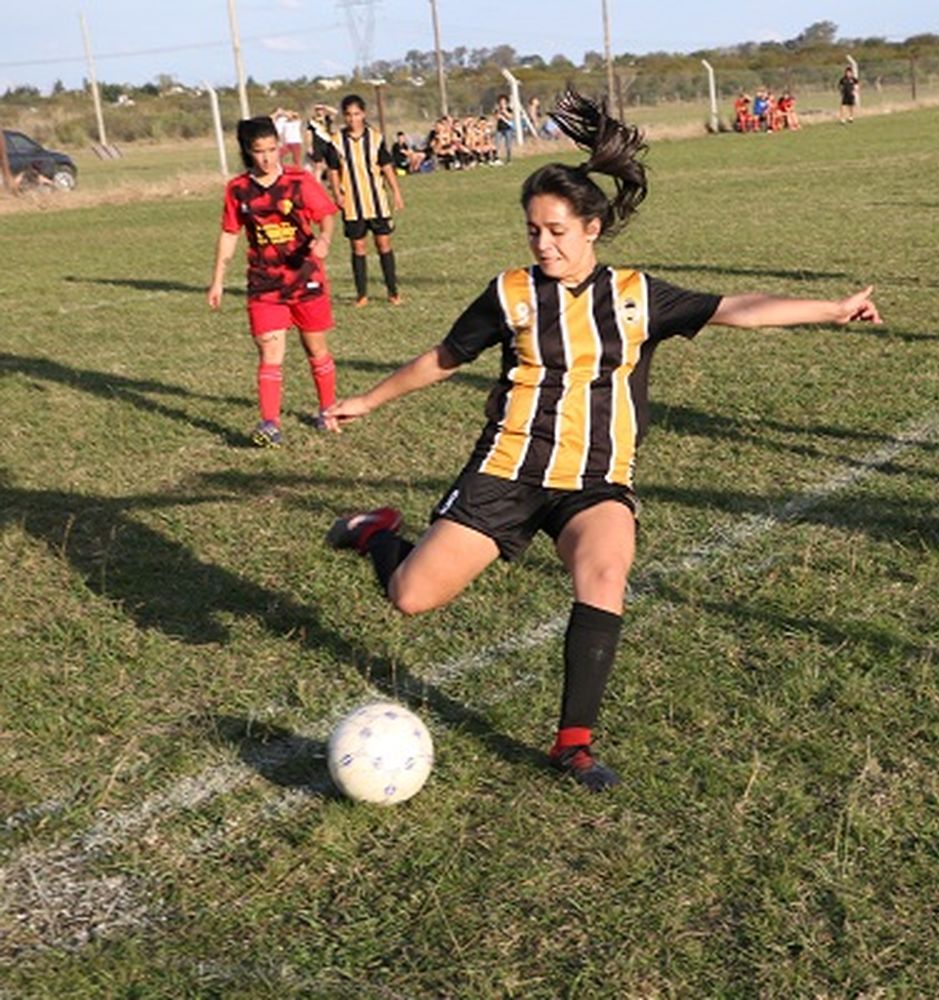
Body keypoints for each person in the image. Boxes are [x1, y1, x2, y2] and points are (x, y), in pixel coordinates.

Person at [320, 91, 882, 791]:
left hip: (594, 481)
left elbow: (735, 308)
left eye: (556, 229)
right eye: (533, 231)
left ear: (591, 227)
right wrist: (368, 401)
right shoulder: (511, 294)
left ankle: (573, 746)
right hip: (508, 472)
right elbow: (445, 357)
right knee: (410, 597)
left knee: (605, 572)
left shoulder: (637, 295)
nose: (544, 243)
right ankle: (377, 534)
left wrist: (831, 308)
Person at [207, 116, 341, 447]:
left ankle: (327, 410)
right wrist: (218, 281)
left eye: (272, 149)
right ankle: (270, 423)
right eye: (260, 152)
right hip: (265, 284)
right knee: (270, 349)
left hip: (305, 279)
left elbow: (325, 216)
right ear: (247, 152)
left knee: (316, 348)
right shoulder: (238, 189)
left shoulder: (299, 180)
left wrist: (323, 239)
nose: (268, 158)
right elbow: (229, 233)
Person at [325, 93, 406, 306]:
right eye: (349, 115)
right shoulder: (336, 141)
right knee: (358, 248)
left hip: (377, 201)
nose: (353, 119)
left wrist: (396, 191)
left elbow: (386, 166)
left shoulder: (375, 138)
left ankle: (393, 291)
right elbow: (333, 170)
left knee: (384, 244)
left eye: (357, 114)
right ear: (344, 116)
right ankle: (361, 295)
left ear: (364, 114)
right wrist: (337, 193)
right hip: (353, 204)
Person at [495, 96, 515, 164]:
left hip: (508, 129)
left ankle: (509, 159)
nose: (501, 103)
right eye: (500, 102)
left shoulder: (509, 109)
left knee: (508, 145)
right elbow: (496, 118)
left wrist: (504, 112)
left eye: (503, 102)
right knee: (497, 144)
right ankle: (497, 158)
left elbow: (510, 117)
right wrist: (498, 114)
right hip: (499, 129)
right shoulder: (498, 110)